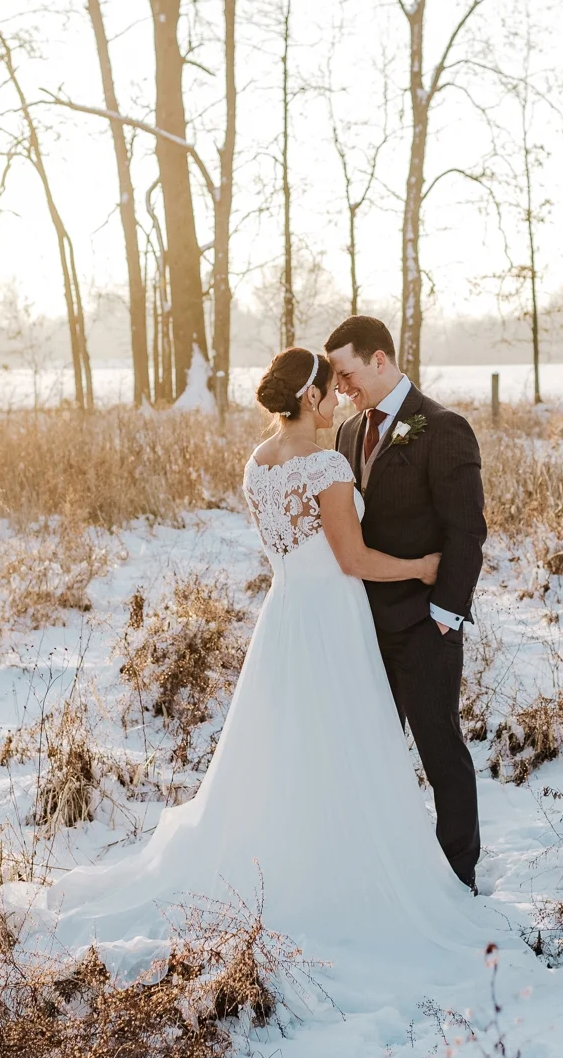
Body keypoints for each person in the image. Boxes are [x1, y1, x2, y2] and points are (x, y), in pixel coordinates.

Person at [40, 344, 501, 981]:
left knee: (293, 749)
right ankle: (342, 877)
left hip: (284, 615)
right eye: (330, 387)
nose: (340, 394)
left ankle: (300, 858)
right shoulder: (327, 465)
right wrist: (423, 568)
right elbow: (355, 561)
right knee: (349, 746)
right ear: (311, 398)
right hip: (332, 618)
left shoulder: (258, 463)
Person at [325, 315, 486, 891]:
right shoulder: (345, 434)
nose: (339, 387)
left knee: (441, 748)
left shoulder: (443, 428)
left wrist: (444, 616)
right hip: (364, 623)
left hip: (424, 623)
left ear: (379, 359)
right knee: (374, 750)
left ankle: (458, 873)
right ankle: (388, 868)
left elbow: (467, 530)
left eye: (345, 374)